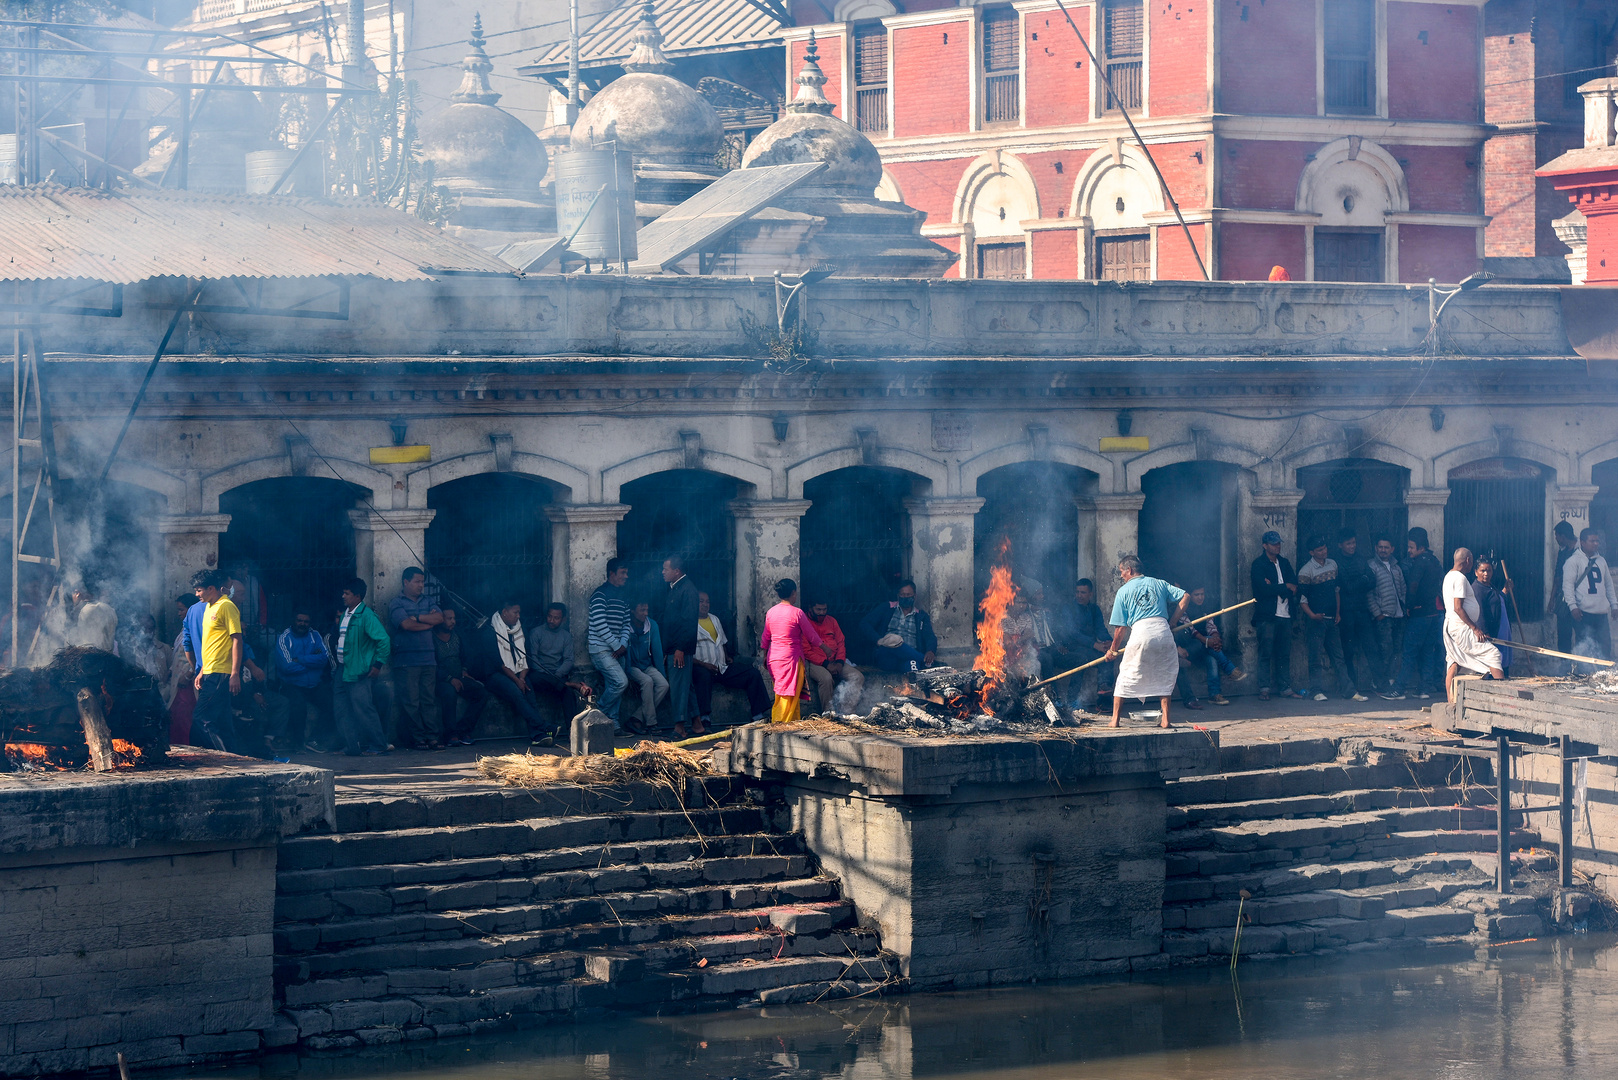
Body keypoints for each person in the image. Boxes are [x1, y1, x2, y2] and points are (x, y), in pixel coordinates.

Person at [1104, 557, 1189, 729]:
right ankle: (1165, 720)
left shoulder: (1123, 591)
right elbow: (1186, 596)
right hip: (1163, 632)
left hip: (1141, 634)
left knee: (1126, 675)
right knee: (1164, 673)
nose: (1121, 576)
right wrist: (1172, 621)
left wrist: (1112, 651)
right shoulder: (1159, 583)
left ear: (1129, 569)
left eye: (1121, 572)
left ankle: (1115, 720)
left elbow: (1120, 629)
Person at [470, 599, 554, 746]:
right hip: (496, 675)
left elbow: (525, 657)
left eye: (519, 612)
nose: (518, 616)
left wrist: (521, 677)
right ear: (504, 612)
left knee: (529, 693)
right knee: (516, 693)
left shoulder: (521, 630)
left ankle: (537, 735)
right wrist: (517, 681)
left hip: (518, 673)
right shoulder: (490, 632)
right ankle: (544, 727)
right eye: (515, 612)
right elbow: (499, 664)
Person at [691, 592, 771, 734]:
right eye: (701, 601)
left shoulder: (714, 619)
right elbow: (686, 653)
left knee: (752, 673)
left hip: (721, 667)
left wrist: (727, 657)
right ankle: (704, 718)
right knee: (703, 677)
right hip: (701, 667)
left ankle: (758, 715)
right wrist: (704, 665)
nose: (705, 604)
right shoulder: (689, 623)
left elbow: (722, 642)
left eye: (707, 602)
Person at [333, 578, 392, 756]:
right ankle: (352, 746)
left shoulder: (367, 616)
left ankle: (378, 745)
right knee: (341, 710)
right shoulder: (345, 614)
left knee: (363, 709)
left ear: (357, 596)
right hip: (342, 669)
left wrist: (377, 664)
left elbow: (384, 640)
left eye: (347, 593)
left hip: (358, 671)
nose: (343, 596)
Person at [388, 567, 444, 751]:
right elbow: (406, 625)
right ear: (406, 582)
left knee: (428, 700)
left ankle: (432, 738)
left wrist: (419, 617)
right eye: (417, 581)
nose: (421, 585)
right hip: (406, 661)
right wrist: (427, 625)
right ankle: (418, 738)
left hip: (429, 659)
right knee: (411, 701)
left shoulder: (429, 601)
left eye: (422, 582)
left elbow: (439, 618)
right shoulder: (397, 603)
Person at [1297, 535, 1358, 702]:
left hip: (1332, 619)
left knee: (1339, 656)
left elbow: (1336, 591)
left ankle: (1349, 691)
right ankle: (1316, 691)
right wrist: (1312, 615)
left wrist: (1338, 612)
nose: (1323, 552)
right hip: (1315, 621)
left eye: (1324, 548)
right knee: (1315, 657)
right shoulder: (1306, 571)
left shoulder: (1333, 565)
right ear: (1311, 552)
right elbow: (1302, 600)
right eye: (1319, 550)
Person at [189, 569, 243, 753]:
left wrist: (234, 673)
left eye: (199, 590)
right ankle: (234, 756)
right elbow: (212, 643)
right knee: (223, 721)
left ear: (211, 588)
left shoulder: (226, 606)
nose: (197, 595)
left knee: (201, 717)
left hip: (220, 672)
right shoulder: (210, 607)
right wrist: (202, 670)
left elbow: (237, 639)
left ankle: (221, 756)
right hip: (210, 670)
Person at [1443, 547, 1504, 702]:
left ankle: (1451, 702)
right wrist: (1475, 628)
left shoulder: (1449, 576)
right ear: (1468, 561)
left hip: (1451, 627)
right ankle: (1503, 700)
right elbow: (1458, 607)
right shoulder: (1460, 578)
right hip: (1461, 628)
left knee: (1454, 660)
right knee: (1494, 655)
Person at [761, 578, 822, 725]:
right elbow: (812, 636)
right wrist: (825, 648)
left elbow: (765, 638)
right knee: (788, 696)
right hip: (791, 660)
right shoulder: (797, 613)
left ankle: (792, 727)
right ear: (793, 593)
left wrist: (765, 656)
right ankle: (781, 727)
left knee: (782, 695)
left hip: (773, 660)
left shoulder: (771, 612)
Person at [1045, 579, 1112, 713]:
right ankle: (1071, 701)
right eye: (1077, 592)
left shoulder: (1094, 609)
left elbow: (1100, 629)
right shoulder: (1068, 608)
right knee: (1081, 658)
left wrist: (1109, 642)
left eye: (1083, 592)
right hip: (1073, 647)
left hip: (1090, 647)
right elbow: (1072, 633)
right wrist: (1094, 644)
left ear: (1090, 594)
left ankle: (1103, 699)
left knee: (1109, 656)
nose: (1079, 595)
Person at [1250, 530, 1302, 701]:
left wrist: (1278, 586)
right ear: (1265, 545)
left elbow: (1295, 585)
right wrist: (1284, 586)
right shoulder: (1259, 565)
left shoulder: (1285, 563)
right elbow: (1262, 590)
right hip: (1268, 616)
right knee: (1265, 652)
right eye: (1273, 544)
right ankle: (1264, 688)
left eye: (1278, 543)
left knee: (1284, 653)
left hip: (1286, 614)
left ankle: (1285, 688)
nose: (1277, 546)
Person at [1173, 586, 1243, 707]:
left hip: (1205, 648)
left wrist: (1215, 638)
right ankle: (1230, 669)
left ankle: (1214, 695)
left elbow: (1211, 626)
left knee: (1212, 659)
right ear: (1189, 596)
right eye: (1196, 595)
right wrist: (1207, 641)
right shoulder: (1182, 611)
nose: (1200, 597)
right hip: (1190, 648)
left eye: (1202, 594)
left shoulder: (1206, 609)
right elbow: (1192, 631)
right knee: (1209, 645)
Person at [275, 610, 334, 752]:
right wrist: (311, 665)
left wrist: (300, 660)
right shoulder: (284, 638)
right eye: (299, 620)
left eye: (306, 621)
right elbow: (286, 667)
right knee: (299, 707)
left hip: (313, 684)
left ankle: (314, 740)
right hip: (292, 684)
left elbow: (324, 659)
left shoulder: (315, 635)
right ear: (294, 621)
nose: (302, 624)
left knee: (332, 704)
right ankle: (298, 744)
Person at [528, 602, 590, 734]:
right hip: (539, 675)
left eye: (556, 618)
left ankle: (573, 732)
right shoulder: (536, 633)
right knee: (539, 678)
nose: (551, 620)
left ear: (563, 619)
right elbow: (533, 659)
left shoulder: (566, 636)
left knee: (567, 693)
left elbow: (569, 660)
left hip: (558, 676)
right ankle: (573, 685)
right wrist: (548, 675)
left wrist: (557, 674)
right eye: (549, 617)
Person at [1399, 527, 1446, 700]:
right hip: (1433, 613)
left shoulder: (1418, 563)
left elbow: (1413, 586)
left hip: (1420, 614)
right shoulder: (1434, 561)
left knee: (1410, 651)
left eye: (1411, 547)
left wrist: (1410, 605)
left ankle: (1399, 688)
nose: (1409, 551)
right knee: (1428, 650)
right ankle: (1424, 689)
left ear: (1420, 547)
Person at [1335, 529, 1380, 700]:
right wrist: (1362, 580)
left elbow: (1372, 580)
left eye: (1354, 542)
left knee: (1371, 646)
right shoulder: (1337, 562)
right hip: (1346, 613)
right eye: (1349, 543)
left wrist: (1359, 581)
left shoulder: (1360, 559)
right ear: (1341, 545)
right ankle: (1351, 687)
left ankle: (1379, 683)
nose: (1352, 546)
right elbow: (1347, 586)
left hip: (1362, 611)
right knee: (1348, 650)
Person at [588, 558, 633, 728]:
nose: (626, 576)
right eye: (623, 572)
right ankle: (595, 713)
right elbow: (599, 624)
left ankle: (613, 724)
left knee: (614, 685)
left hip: (617, 649)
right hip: (600, 649)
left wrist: (622, 645)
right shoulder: (600, 594)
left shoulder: (623, 596)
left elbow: (625, 623)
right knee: (621, 682)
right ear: (612, 574)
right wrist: (617, 645)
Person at [434, 607, 487, 747]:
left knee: (481, 692)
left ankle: (463, 730)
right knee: (449, 693)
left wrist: (464, 670)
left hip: (460, 676)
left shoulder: (458, 636)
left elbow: (466, 656)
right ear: (440, 620)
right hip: (441, 680)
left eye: (454, 618)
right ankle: (451, 734)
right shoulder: (432, 638)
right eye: (449, 618)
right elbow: (432, 666)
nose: (453, 621)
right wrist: (450, 679)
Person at [1563, 527, 1616, 669]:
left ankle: (1604, 675)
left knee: (1605, 647)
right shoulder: (1573, 561)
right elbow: (1567, 586)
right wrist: (1572, 606)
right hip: (1583, 613)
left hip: (1601, 614)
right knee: (1584, 648)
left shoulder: (1601, 561)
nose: (1596, 544)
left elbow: (1609, 585)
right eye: (1592, 541)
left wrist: (1614, 605)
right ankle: (1583, 675)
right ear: (1582, 542)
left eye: (1597, 541)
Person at [859, 581, 937, 672]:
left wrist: (930, 651)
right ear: (898, 596)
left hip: (909, 657)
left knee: (913, 668)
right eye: (903, 595)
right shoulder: (887, 608)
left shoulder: (921, 616)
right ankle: (924, 661)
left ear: (914, 596)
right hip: (887, 655)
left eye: (908, 595)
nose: (906, 597)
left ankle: (919, 662)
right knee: (894, 641)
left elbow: (930, 636)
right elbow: (864, 624)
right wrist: (878, 640)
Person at [661, 556, 701, 733]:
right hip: (673, 647)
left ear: (676, 571)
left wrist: (680, 649)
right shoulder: (675, 589)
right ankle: (697, 724)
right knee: (687, 686)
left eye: (666, 569)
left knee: (678, 687)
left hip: (680, 649)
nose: (663, 572)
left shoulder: (688, 590)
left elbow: (689, 622)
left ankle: (679, 727)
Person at [805, 600, 864, 714]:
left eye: (824, 610)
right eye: (818, 610)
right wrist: (826, 664)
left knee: (857, 676)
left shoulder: (831, 621)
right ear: (810, 608)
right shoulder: (805, 623)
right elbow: (806, 650)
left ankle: (847, 712)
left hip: (835, 661)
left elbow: (841, 642)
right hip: (814, 663)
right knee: (826, 679)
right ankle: (829, 714)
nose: (822, 613)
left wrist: (839, 662)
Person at [1368, 537, 1408, 698]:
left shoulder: (1396, 567)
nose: (1383, 550)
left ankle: (1390, 680)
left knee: (1397, 650)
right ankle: (1380, 683)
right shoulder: (1372, 566)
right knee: (1385, 650)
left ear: (1392, 549)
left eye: (1386, 547)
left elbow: (1403, 588)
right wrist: (1377, 613)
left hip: (1398, 615)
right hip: (1383, 616)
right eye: (1380, 547)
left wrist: (1405, 608)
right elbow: (1369, 594)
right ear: (1376, 548)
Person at [624, 600, 668, 735]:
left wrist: (662, 672)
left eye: (647, 610)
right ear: (632, 611)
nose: (645, 613)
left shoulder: (651, 625)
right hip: (631, 666)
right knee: (647, 681)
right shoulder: (625, 626)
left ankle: (636, 718)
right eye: (642, 610)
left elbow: (657, 651)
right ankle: (651, 723)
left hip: (646, 665)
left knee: (663, 685)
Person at [1473, 556, 1513, 677]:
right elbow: (1480, 613)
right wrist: (1485, 632)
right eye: (1482, 570)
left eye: (1489, 570)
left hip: (1502, 631)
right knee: (1492, 663)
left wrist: (1506, 590)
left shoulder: (1490, 586)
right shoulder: (1477, 589)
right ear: (1476, 572)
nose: (1486, 573)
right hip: (1490, 634)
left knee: (1501, 660)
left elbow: (1497, 600)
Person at [168, 593, 198, 745]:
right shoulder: (184, 630)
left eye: (182, 609)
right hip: (178, 684)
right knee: (177, 718)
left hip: (188, 685)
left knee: (185, 719)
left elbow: (200, 656)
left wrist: (188, 674)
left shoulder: (196, 629)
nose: (179, 613)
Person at [1551, 519, 1579, 672]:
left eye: (1557, 535)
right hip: (1563, 600)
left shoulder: (1581, 551)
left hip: (1580, 599)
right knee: (1563, 634)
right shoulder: (1562, 552)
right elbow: (1557, 577)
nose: (1555, 538)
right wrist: (1552, 599)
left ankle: (1583, 666)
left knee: (1582, 632)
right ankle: (1565, 667)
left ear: (1563, 536)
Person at [124, 613, 171, 693]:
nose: (148, 632)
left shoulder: (164, 648)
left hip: (162, 692)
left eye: (150, 628)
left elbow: (172, 668)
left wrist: (167, 676)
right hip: (140, 693)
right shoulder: (130, 650)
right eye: (144, 628)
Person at [67, 584, 118, 652]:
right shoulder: (109, 609)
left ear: (77, 593)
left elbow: (85, 643)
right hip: (109, 658)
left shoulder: (85, 611)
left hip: (93, 658)